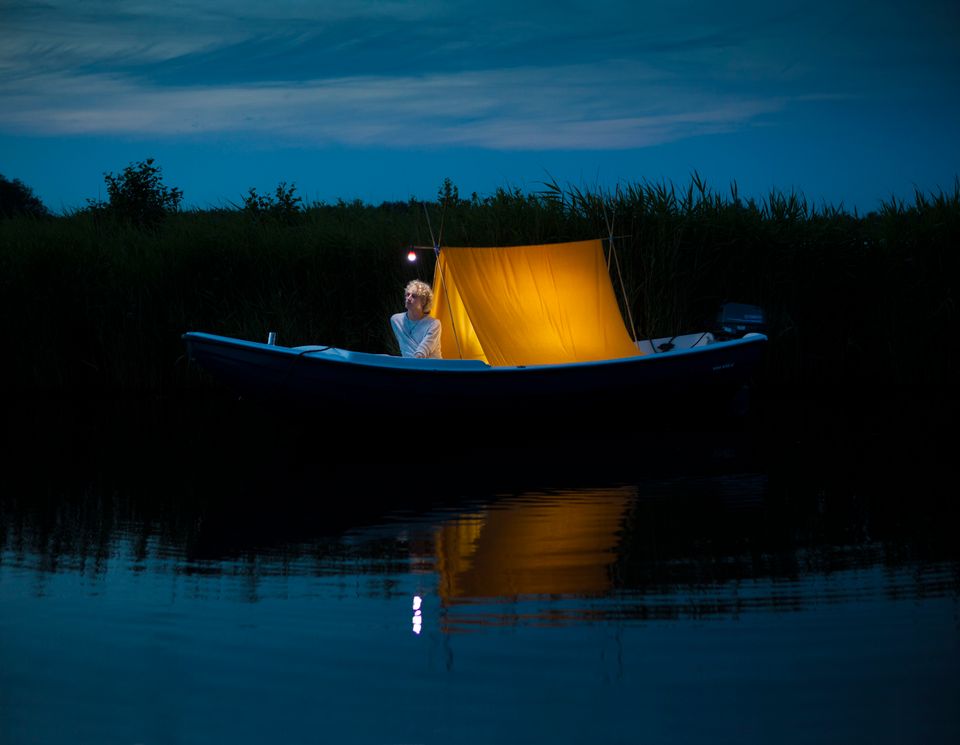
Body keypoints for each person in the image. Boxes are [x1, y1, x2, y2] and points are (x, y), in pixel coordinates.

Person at [391, 280, 442, 358]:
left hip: (431, 364)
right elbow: (405, 348)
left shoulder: (434, 324)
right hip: (410, 364)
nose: (408, 298)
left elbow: (422, 352)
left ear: (423, 301)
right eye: (407, 294)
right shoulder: (396, 320)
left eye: (414, 296)